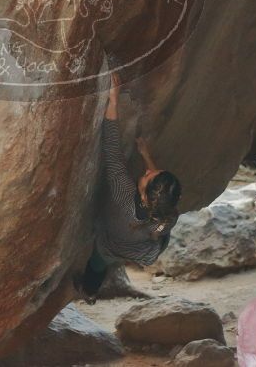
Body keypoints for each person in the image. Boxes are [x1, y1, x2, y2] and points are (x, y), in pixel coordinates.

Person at [78, 72, 182, 302]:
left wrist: (113, 101)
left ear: (144, 194)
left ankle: (89, 292)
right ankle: (96, 287)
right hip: (144, 250)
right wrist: (146, 156)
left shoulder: (122, 193)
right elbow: (157, 190)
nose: (147, 171)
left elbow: (112, 149)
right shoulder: (170, 214)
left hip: (111, 244)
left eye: (148, 176)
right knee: (159, 237)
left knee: (97, 264)